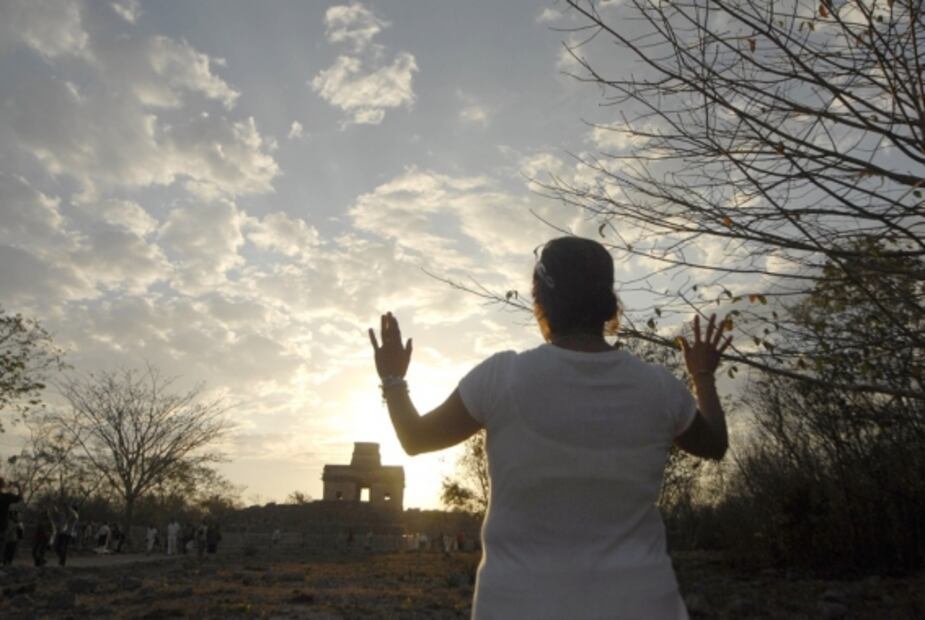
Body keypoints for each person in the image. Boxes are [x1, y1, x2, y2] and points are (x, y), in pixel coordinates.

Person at [368, 237, 731, 619]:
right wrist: (702, 376)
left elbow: (415, 438)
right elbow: (715, 444)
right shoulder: (658, 388)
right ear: (609, 304)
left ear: (540, 300)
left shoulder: (501, 377)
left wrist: (393, 379)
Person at [0, 478, 23, 542]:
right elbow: (19, 498)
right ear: (2, 485)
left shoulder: (6, 496)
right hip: (1, 527)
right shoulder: (5, 497)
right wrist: (18, 487)